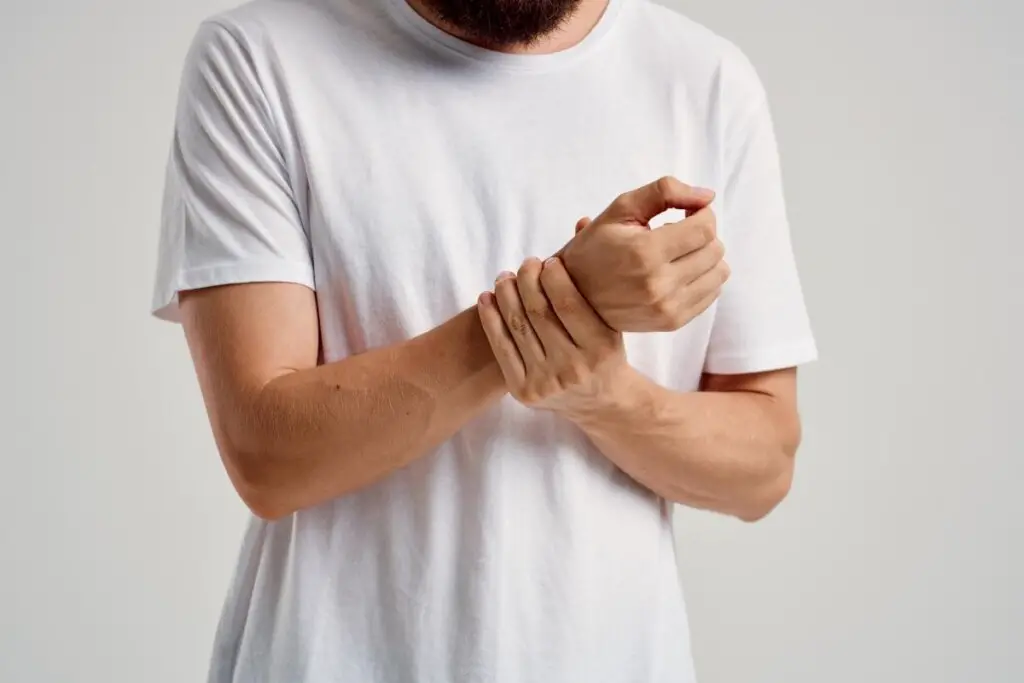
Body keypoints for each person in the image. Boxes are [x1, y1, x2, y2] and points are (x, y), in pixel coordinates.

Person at [151, 0, 817, 680]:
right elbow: (268, 455)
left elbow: (764, 464)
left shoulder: (705, 81)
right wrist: (565, 301)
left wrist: (604, 394)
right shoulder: (259, 60)